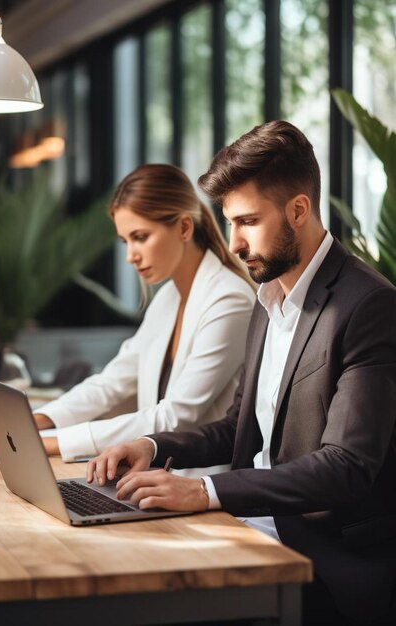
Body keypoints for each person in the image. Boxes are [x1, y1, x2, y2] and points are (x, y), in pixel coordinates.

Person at [86, 122, 396, 625]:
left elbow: (347, 465)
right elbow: (238, 427)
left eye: (248, 221)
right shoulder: (267, 293)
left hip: (324, 559)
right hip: (252, 527)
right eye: (230, 223)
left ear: (299, 210)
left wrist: (206, 492)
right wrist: (153, 446)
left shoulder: (368, 305)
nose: (234, 244)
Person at [0, 163, 256, 468]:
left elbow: (174, 416)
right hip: (155, 479)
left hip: (199, 486)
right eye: (125, 241)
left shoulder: (230, 300)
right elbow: (112, 382)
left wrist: (56, 442)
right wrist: (39, 420)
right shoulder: (169, 299)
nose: (130, 256)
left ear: (185, 228)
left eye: (141, 237)